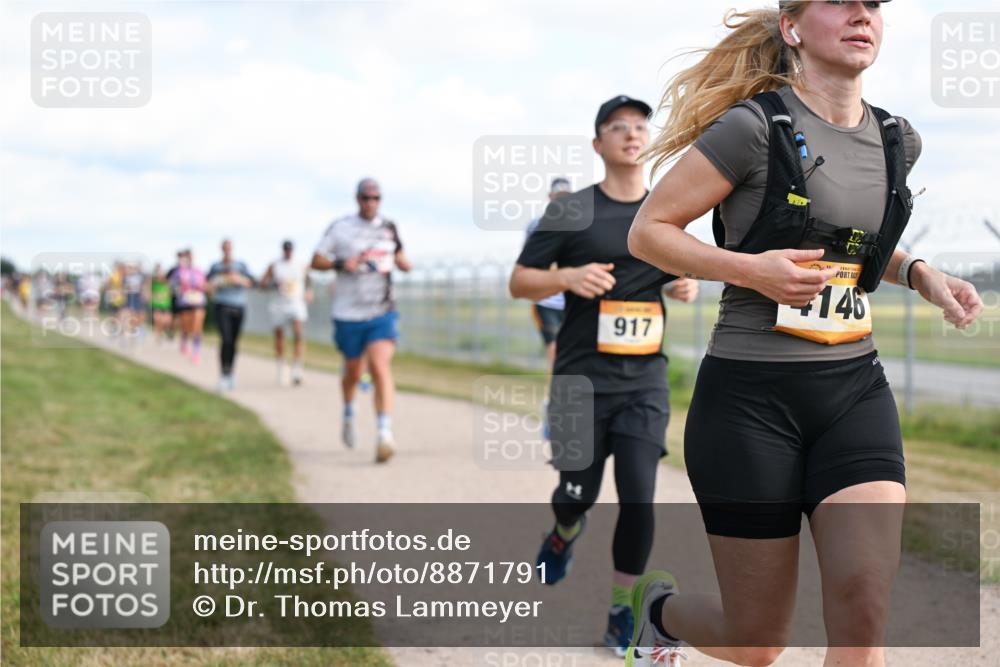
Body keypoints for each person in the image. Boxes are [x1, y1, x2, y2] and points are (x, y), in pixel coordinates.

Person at [624, 3, 984, 666]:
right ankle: (660, 613)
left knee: (864, 609)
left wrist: (923, 273)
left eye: (873, 4)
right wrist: (748, 270)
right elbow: (649, 231)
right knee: (757, 640)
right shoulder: (750, 130)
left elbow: (851, 248)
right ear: (793, 27)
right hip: (749, 402)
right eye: (840, 1)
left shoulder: (896, 138)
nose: (861, 14)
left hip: (853, 392)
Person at [509, 95, 698, 657]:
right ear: (599, 144)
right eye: (619, 127)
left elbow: (678, 268)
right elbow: (520, 282)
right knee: (576, 493)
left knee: (639, 498)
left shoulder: (665, 209)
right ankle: (564, 530)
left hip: (643, 380)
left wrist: (681, 283)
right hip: (579, 379)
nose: (632, 134)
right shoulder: (570, 211)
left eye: (641, 126)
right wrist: (566, 275)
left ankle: (623, 611)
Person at [311, 178, 412, 464]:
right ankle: (348, 411)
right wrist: (342, 264)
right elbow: (316, 260)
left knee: (380, 367)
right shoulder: (340, 228)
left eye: (376, 198)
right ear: (357, 199)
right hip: (347, 314)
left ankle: (384, 434)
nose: (371, 203)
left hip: (381, 311)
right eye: (366, 198)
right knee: (353, 373)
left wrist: (404, 263)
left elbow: (401, 255)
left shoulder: (389, 227)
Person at [524, 177, 573, 370]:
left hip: (571, 299)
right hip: (546, 300)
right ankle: (557, 394)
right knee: (554, 348)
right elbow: (527, 261)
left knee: (571, 349)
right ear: (550, 197)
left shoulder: (580, 226)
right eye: (558, 196)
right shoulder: (536, 225)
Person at [261, 240, 313, 386]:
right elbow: (263, 283)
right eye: (286, 250)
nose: (288, 252)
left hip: (296, 303)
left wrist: (309, 291)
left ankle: (297, 368)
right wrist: (274, 284)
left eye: (290, 250)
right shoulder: (275, 265)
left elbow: (308, 279)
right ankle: (281, 367)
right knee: (279, 336)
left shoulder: (300, 264)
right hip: (279, 304)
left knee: (298, 334)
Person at [206, 239, 256, 392]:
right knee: (225, 339)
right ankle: (223, 374)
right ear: (221, 249)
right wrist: (214, 285)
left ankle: (231, 373)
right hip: (222, 305)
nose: (227, 250)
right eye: (225, 248)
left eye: (229, 248)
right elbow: (206, 285)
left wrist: (239, 279)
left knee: (234, 342)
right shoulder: (216, 267)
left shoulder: (241, 266)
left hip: (239, 306)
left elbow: (252, 282)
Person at [171, 249, 207, 364]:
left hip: (198, 301)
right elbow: (173, 286)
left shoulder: (199, 271)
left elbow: (204, 285)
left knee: (197, 326)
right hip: (184, 302)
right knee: (186, 327)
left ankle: (195, 351)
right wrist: (178, 290)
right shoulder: (179, 272)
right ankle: (184, 338)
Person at [149, 264, 174, 343]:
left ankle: (165, 331)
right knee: (157, 320)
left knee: (166, 321)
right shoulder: (153, 283)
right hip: (156, 304)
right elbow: (149, 292)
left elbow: (171, 293)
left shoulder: (168, 283)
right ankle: (158, 335)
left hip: (166, 304)